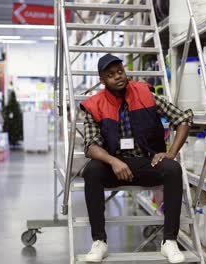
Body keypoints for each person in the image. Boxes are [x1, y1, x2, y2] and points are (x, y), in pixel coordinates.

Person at [79, 54, 193, 263]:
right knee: (92, 170)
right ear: (102, 80)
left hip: (146, 162)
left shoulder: (145, 94)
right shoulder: (94, 105)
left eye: (120, 71)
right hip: (113, 166)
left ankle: (169, 241)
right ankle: (99, 241)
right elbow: (90, 146)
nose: (118, 77)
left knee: (173, 169)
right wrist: (113, 161)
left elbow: (183, 119)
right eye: (111, 75)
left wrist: (171, 153)